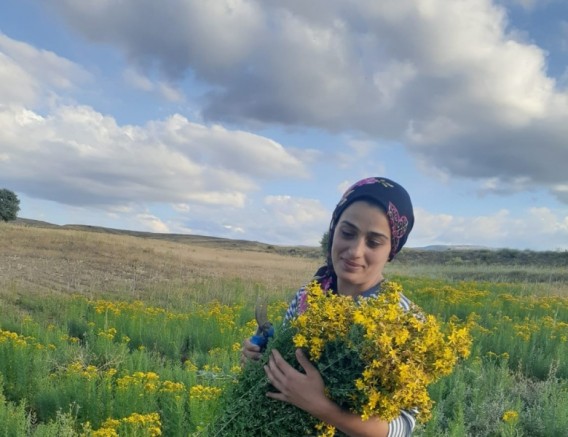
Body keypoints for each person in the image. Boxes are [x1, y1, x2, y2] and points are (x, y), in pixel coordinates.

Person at [241, 176, 416, 437]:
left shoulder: (404, 319)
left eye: (374, 242)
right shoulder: (309, 295)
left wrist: (320, 406)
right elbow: (285, 367)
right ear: (333, 230)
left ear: (392, 249)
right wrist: (261, 359)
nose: (355, 251)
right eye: (347, 233)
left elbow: (402, 426)